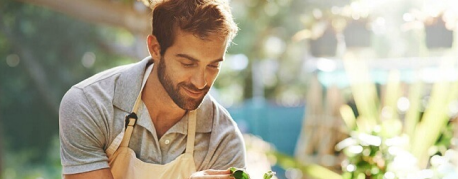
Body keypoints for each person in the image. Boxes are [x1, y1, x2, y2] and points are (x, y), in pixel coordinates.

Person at [59, 0, 246, 178]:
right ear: (155, 48)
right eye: (187, 63)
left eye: (213, 66)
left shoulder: (223, 139)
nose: (200, 82)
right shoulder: (90, 104)